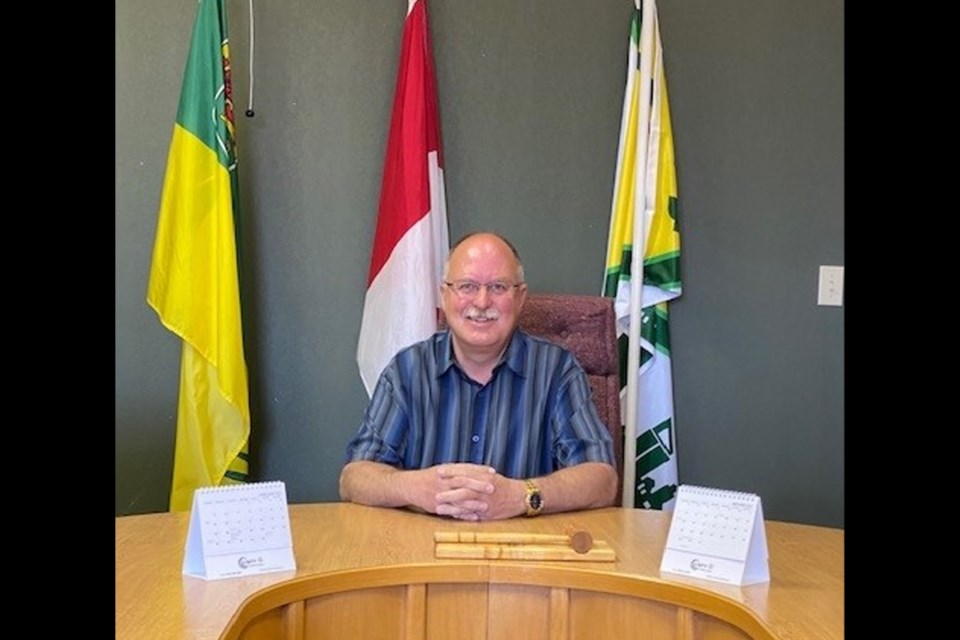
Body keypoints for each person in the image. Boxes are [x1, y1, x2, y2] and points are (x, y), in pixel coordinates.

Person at [340, 232, 618, 521]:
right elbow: (354, 477)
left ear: (520, 297)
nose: (482, 301)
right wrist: (414, 487)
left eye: (498, 287)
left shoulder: (557, 372)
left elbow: (602, 480)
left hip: (523, 555)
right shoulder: (408, 371)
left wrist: (523, 495)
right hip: (424, 553)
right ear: (444, 295)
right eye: (467, 286)